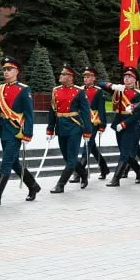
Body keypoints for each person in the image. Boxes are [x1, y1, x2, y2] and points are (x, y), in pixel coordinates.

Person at [0, 56, 37, 206]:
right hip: (4, 130)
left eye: (9, 69)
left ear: (16, 71)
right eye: (4, 69)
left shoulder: (24, 89)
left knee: (6, 163)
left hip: (16, 131)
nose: (6, 72)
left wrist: (28, 133)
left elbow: (29, 114)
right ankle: (33, 186)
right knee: (14, 163)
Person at [45, 65, 92, 194]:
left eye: (64, 74)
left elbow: (86, 112)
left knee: (71, 159)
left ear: (71, 77)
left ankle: (60, 185)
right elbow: (52, 111)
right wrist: (50, 129)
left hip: (74, 126)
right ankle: (83, 173)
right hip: (61, 126)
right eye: (61, 73)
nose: (61, 76)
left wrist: (87, 131)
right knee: (68, 158)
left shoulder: (79, 91)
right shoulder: (56, 90)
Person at [106, 67, 140, 186]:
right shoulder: (119, 90)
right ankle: (138, 171)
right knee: (126, 153)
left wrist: (124, 124)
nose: (127, 78)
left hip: (132, 125)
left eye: (130, 77)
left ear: (135, 80)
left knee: (124, 153)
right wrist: (112, 86)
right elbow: (101, 84)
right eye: (125, 76)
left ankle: (116, 179)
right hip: (118, 122)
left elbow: (138, 114)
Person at [81, 68, 110, 179]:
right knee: (92, 147)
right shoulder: (80, 90)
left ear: (94, 78)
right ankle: (104, 168)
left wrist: (102, 125)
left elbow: (101, 109)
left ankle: (78, 172)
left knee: (87, 146)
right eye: (84, 77)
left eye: (88, 77)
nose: (86, 79)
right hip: (82, 121)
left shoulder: (98, 91)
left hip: (93, 122)